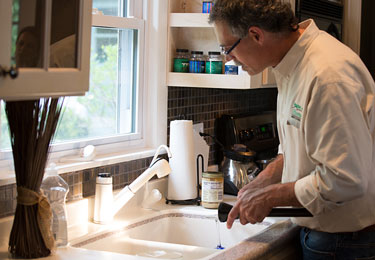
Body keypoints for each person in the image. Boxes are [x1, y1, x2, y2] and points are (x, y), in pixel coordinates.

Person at [209, 0, 375, 259]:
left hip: (345, 242)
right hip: (325, 236)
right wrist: (265, 180)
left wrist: (271, 196)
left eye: (227, 48)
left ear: (256, 35)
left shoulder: (327, 76)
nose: (228, 58)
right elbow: (302, 149)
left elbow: (345, 179)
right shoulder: (290, 66)